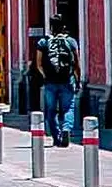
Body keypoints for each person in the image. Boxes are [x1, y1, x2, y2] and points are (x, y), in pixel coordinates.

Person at [35, 14, 82, 147]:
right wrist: (78, 80)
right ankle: (66, 128)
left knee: (51, 110)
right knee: (68, 108)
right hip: (67, 80)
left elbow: (39, 64)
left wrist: (45, 75)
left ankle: (56, 136)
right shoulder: (71, 41)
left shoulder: (43, 42)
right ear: (64, 26)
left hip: (50, 82)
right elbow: (77, 64)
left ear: (51, 27)